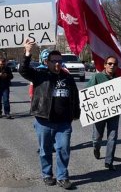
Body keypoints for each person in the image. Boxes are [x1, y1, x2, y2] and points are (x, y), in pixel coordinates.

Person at [19, 39, 80, 189]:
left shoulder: (68, 77)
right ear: (47, 62)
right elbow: (24, 70)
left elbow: (75, 96)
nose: (57, 64)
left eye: (59, 61)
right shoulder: (40, 74)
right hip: (44, 120)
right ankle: (47, 174)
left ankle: (62, 177)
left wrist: (76, 113)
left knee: (63, 149)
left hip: (64, 123)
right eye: (54, 61)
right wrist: (27, 52)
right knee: (45, 150)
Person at [87, 56, 119, 171]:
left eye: (114, 64)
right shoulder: (97, 76)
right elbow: (87, 93)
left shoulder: (118, 79)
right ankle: (96, 148)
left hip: (114, 113)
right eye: (110, 63)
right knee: (97, 137)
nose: (112, 66)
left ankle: (109, 161)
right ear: (105, 65)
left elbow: (120, 94)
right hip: (99, 113)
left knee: (113, 136)